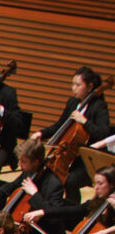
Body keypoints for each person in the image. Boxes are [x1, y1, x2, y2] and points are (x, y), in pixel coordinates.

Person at [33, 66, 109, 196]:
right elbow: (59, 125)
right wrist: (40, 133)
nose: (73, 88)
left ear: (90, 86)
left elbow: (103, 134)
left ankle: (73, 213)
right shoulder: (73, 102)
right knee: (45, 173)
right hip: (69, 155)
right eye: (72, 84)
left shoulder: (99, 106)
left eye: (78, 85)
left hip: (86, 160)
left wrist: (84, 121)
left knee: (70, 181)